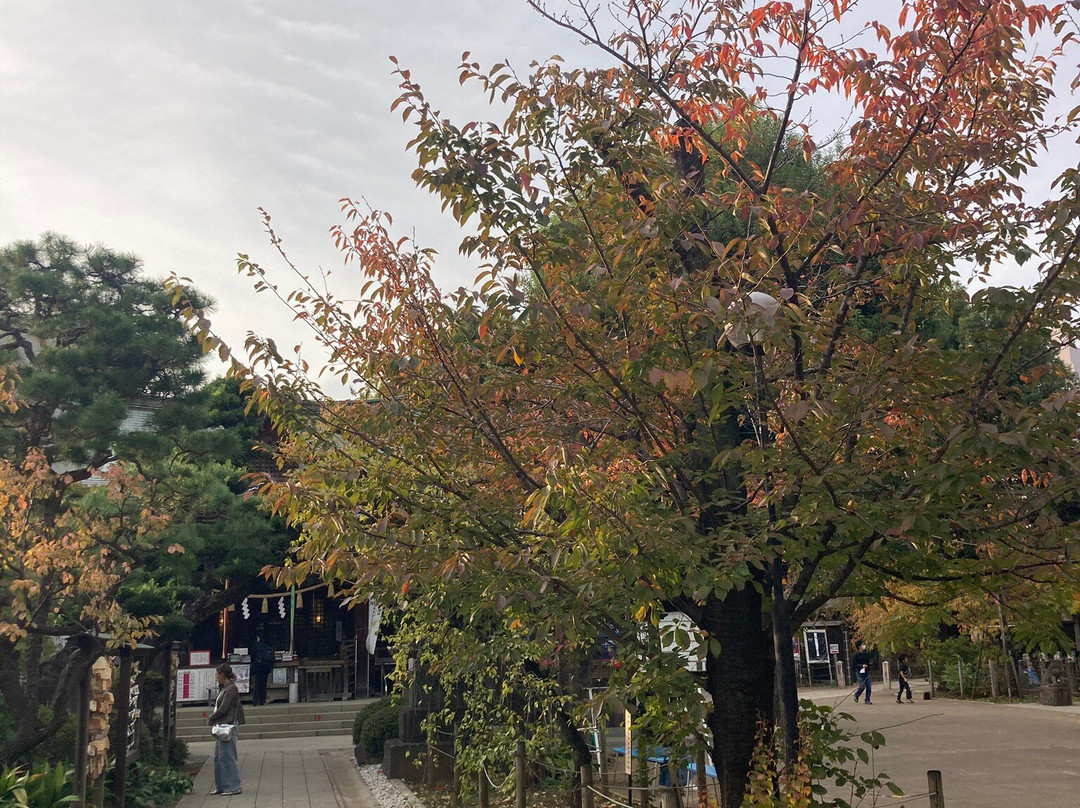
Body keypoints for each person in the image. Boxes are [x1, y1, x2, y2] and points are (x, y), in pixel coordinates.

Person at [207, 663, 244, 796]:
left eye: (217, 674)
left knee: (228, 756)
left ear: (223, 675)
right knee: (219, 757)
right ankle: (221, 785)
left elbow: (224, 708)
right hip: (222, 724)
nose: (216, 677)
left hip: (228, 724)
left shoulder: (231, 689)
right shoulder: (225, 688)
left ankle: (233, 786)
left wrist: (212, 718)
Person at [249, 632, 275, 706]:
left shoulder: (256, 645)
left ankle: (255, 701)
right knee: (264, 684)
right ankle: (262, 700)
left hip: (258, 667)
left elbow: (252, 657)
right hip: (266, 667)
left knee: (257, 683)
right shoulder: (268, 646)